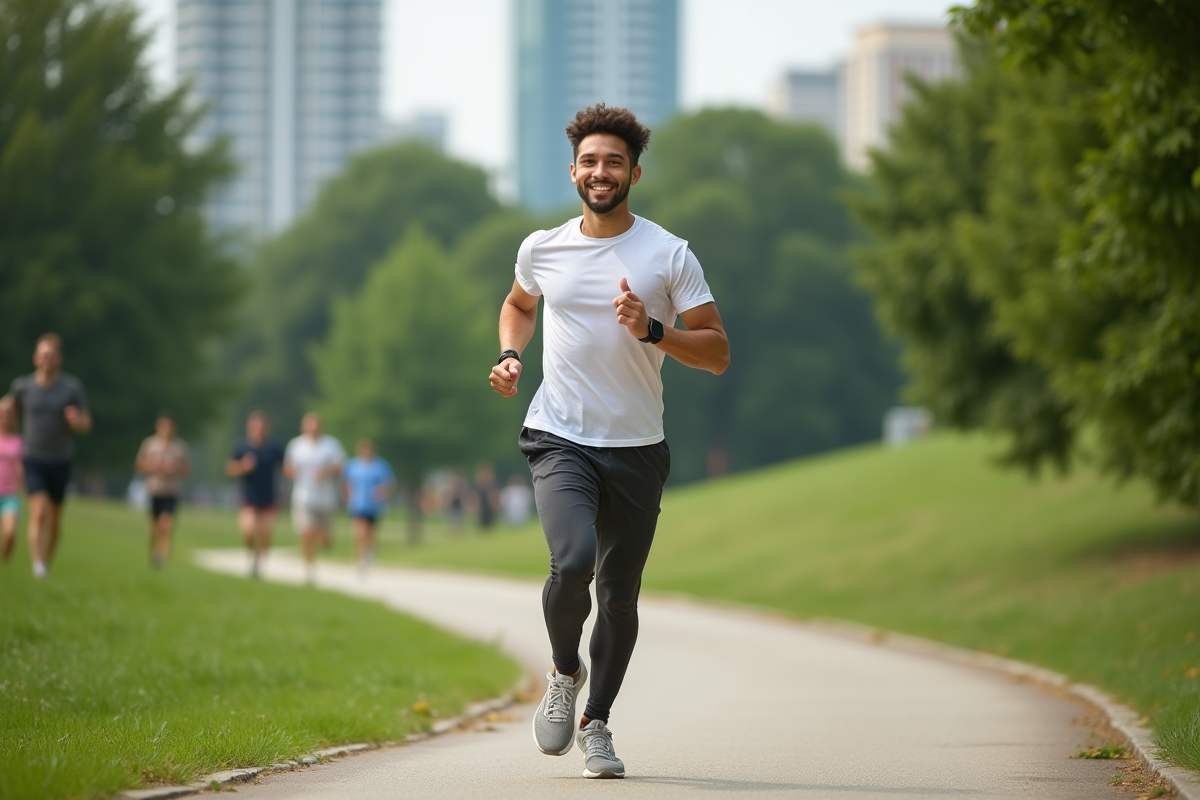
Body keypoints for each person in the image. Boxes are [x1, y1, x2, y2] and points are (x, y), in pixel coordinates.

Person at [488, 104, 729, 779]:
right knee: (572, 564)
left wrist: (655, 330)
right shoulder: (543, 247)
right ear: (573, 172)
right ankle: (565, 672)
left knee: (619, 595)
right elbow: (519, 303)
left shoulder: (667, 254)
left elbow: (716, 352)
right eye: (590, 161)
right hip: (559, 434)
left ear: (634, 173)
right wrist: (511, 356)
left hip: (637, 447)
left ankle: (598, 723)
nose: (601, 171)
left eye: (614, 162)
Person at [9, 333, 92, 578]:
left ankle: (45, 561)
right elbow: (8, 412)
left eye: (52, 355)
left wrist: (76, 421)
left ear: (60, 359)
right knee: (39, 512)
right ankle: (37, 565)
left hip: (61, 459)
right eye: (43, 354)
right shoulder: (22, 386)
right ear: (36, 357)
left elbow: (86, 424)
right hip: (33, 457)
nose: (47, 359)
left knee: (55, 520)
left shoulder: (71, 388)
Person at [283, 412, 345, 584]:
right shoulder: (295, 445)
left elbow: (341, 467)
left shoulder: (331, 445)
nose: (313, 429)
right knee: (306, 532)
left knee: (325, 538)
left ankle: (325, 540)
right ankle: (309, 569)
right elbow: (287, 468)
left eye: (316, 426)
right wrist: (291, 472)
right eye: (309, 426)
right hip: (303, 497)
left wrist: (327, 472)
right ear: (303, 427)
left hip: (326, 499)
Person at [225, 411, 284, 578]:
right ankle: (251, 557)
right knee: (249, 531)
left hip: (269, 496)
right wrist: (243, 467)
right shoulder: (242, 446)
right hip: (248, 495)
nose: (259, 429)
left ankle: (259, 562)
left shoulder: (274, 447)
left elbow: (283, 469)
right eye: (255, 426)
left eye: (262, 426)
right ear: (249, 427)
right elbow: (229, 468)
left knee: (266, 533)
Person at [134, 412, 190, 569]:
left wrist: (174, 469)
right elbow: (139, 465)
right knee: (154, 527)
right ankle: (152, 554)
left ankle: (162, 559)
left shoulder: (180, 447)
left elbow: (187, 470)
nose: (167, 429)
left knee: (167, 525)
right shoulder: (149, 444)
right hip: (154, 490)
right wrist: (154, 466)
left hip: (171, 492)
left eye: (169, 426)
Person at [341, 438, 395, 574]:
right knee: (359, 532)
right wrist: (347, 498)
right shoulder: (353, 465)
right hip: (357, 504)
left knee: (370, 532)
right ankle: (360, 560)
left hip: (373, 505)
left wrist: (380, 492)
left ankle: (370, 551)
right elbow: (346, 483)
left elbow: (389, 484)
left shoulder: (380, 465)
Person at [0, 395, 23, 563]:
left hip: (10, 494)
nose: (6, 417)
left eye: (10, 414)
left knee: (10, 534)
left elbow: (21, 466)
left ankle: (4, 562)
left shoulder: (18, 441)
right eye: (3, 413)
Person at [471, 463, 500, 532]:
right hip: (481, 510)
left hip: (490, 510)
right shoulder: (476, 488)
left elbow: (495, 499)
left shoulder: (493, 487)